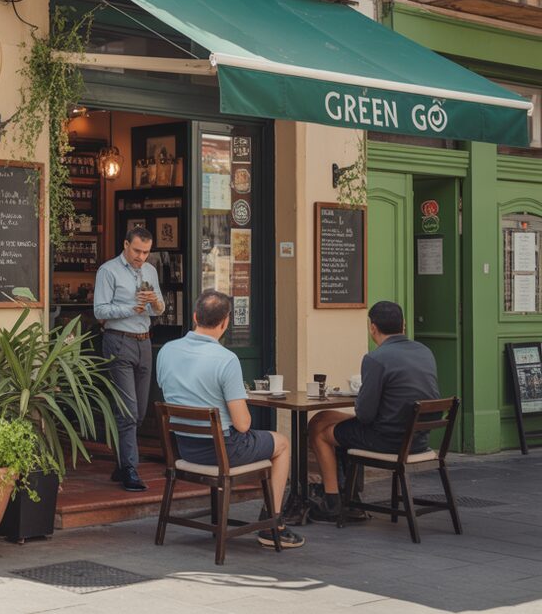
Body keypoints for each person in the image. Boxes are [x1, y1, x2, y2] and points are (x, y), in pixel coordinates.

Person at [156, 290, 303, 549]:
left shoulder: (167, 351)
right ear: (226, 322)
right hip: (221, 452)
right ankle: (273, 522)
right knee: (281, 443)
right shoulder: (226, 359)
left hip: (185, 449)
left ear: (194, 317)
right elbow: (243, 425)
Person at [307, 301, 441, 522]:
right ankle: (347, 494)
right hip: (417, 438)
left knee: (320, 433)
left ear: (372, 327)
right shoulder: (424, 351)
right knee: (321, 419)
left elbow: (366, 415)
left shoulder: (376, 358)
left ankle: (331, 501)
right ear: (404, 325)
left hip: (388, 441)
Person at [94, 226, 165, 492]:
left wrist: (155, 304)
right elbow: (99, 310)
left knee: (140, 411)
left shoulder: (150, 271)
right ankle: (130, 469)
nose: (141, 257)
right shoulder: (108, 271)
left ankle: (122, 461)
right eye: (137, 251)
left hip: (144, 340)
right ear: (126, 245)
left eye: (146, 252)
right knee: (128, 410)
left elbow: (159, 308)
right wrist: (130, 308)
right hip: (118, 340)